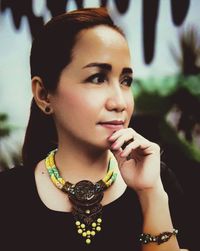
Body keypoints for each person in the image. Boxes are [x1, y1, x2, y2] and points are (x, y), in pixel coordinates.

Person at [0, 7, 191, 251]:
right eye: (98, 78)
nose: (119, 102)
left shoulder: (159, 182)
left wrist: (151, 196)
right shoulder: (7, 196)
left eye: (126, 81)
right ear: (44, 94)